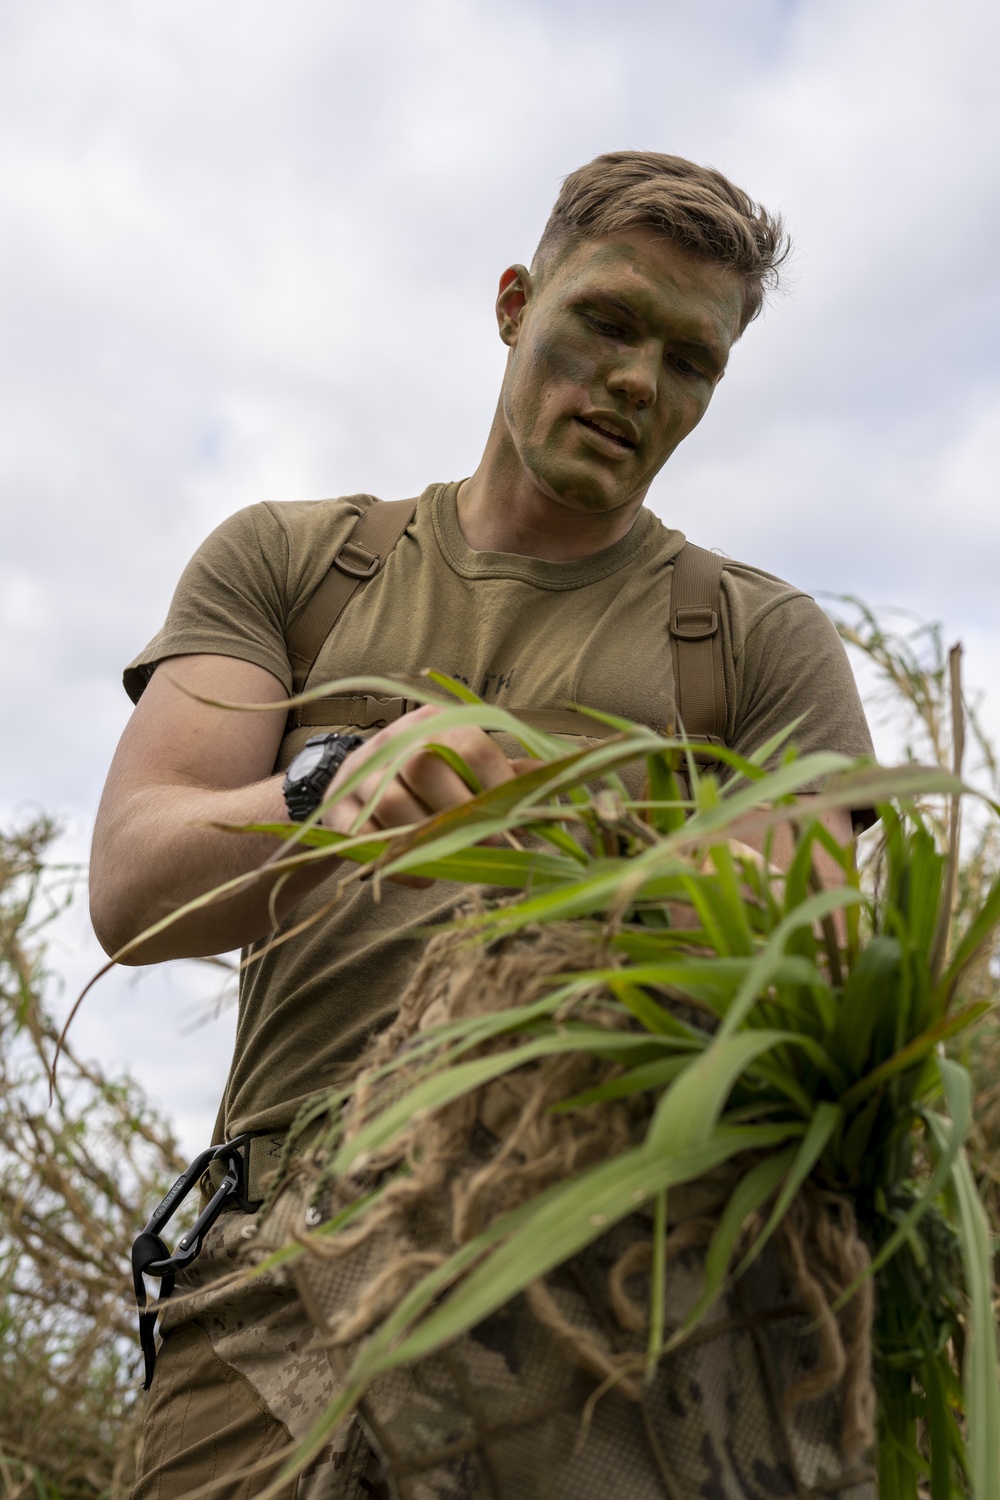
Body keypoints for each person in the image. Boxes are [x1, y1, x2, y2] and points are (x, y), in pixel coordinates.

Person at [91, 151, 874, 1498]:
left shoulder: (758, 641)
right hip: (280, 1280)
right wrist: (334, 790)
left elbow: (826, 947)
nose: (638, 381)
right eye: (609, 323)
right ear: (517, 301)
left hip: (619, 1305)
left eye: (690, 361)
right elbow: (133, 878)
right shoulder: (297, 564)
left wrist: (582, 850)